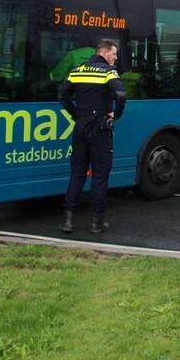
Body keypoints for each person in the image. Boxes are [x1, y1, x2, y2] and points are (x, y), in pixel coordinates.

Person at [58, 38, 126, 234]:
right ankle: (97, 222)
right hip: (100, 128)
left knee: (77, 173)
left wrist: (75, 114)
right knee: (100, 175)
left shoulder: (78, 71)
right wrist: (116, 115)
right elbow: (121, 96)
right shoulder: (108, 72)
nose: (115, 58)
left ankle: (67, 220)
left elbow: (62, 95)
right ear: (104, 53)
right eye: (114, 54)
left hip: (80, 125)